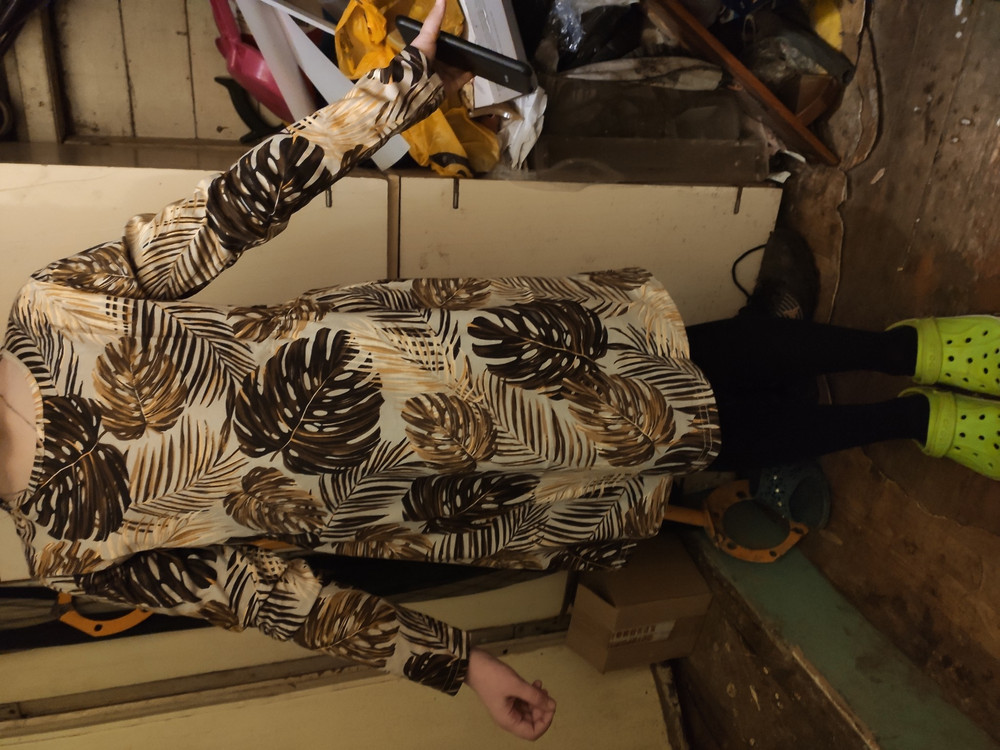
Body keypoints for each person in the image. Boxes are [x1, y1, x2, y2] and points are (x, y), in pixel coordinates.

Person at [1, 0, 998, 741]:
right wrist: (462, 662)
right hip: (456, 484)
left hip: (448, 345)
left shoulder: (50, 311)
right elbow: (277, 600)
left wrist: (379, 102)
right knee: (693, 444)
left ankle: (904, 349)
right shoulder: (65, 548)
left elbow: (229, 214)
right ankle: (913, 422)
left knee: (692, 355)